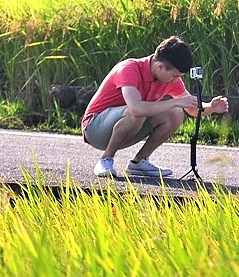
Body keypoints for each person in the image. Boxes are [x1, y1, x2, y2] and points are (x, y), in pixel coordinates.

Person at [82, 35, 229, 178]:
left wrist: (210, 107)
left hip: (126, 126)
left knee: (176, 113)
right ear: (160, 67)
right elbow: (136, 108)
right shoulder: (129, 69)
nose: (176, 80)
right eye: (175, 76)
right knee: (139, 113)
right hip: (95, 129)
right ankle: (106, 160)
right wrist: (176, 101)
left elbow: (190, 107)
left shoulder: (169, 78)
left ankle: (139, 162)